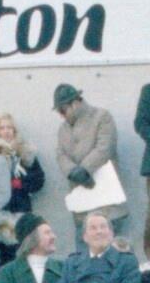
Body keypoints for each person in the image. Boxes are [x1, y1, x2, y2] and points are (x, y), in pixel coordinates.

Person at [52, 82, 123, 225]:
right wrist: (72, 171)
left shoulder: (102, 116)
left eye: (63, 110)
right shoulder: (63, 129)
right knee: (81, 242)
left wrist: (84, 169)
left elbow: (105, 147)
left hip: (105, 197)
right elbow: (60, 154)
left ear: (75, 104)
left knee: (107, 242)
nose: (61, 115)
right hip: (81, 202)